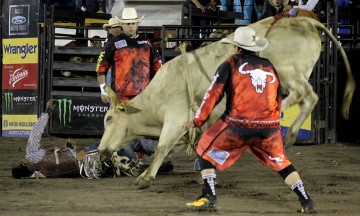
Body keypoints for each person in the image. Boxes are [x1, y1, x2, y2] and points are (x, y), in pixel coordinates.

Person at [182, 27, 316, 213]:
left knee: (205, 148)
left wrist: (197, 120)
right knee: (282, 162)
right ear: (255, 48)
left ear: (236, 48)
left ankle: (209, 196)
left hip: (237, 125)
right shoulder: (268, 65)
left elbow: (213, 93)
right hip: (268, 127)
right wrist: (273, 121)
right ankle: (306, 201)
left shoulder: (230, 64)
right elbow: (278, 96)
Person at [95, 8, 171, 175]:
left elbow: (158, 67)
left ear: (138, 24)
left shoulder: (147, 43)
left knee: (145, 129)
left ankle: (152, 157)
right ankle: (140, 161)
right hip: (121, 98)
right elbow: (101, 69)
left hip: (144, 97)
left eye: (133, 23)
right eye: (127, 23)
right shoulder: (113, 43)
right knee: (124, 131)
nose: (130, 26)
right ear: (122, 24)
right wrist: (104, 90)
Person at [12, 99, 79, 179]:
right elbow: (36, 130)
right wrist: (48, 110)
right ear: (23, 164)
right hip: (72, 156)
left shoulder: (39, 174)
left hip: (76, 168)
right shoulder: (30, 155)